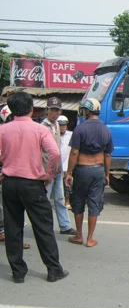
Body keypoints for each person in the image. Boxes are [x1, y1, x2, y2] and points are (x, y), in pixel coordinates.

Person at [0, 92, 68, 283]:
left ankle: (18, 272)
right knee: (43, 227)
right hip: (33, 183)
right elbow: (54, 152)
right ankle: (54, 269)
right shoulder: (40, 130)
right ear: (31, 108)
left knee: (13, 228)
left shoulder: (3, 130)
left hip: (10, 182)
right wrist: (49, 174)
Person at [65, 98, 113, 247]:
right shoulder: (106, 129)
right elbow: (107, 155)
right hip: (98, 170)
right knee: (94, 203)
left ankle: (79, 235)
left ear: (87, 111)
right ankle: (90, 238)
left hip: (82, 170)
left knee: (78, 201)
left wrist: (69, 173)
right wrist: (107, 174)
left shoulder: (80, 129)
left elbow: (74, 153)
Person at [41, 97, 76, 235]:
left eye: (56, 110)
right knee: (44, 201)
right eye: (52, 110)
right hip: (46, 170)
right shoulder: (43, 127)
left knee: (60, 199)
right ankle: (44, 226)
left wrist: (61, 170)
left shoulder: (56, 126)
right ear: (47, 110)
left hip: (57, 169)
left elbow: (58, 151)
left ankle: (65, 225)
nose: (54, 113)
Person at [0, 105, 30, 250]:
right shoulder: (6, 131)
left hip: (10, 178)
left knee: (10, 213)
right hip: (19, 178)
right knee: (14, 214)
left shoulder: (5, 131)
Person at [57, 115, 73, 209]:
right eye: (60, 125)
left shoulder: (71, 135)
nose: (62, 127)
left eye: (64, 125)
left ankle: (67, 202)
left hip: (66, 164)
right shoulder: (53, 134)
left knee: (67, 185)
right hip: (55, 165)